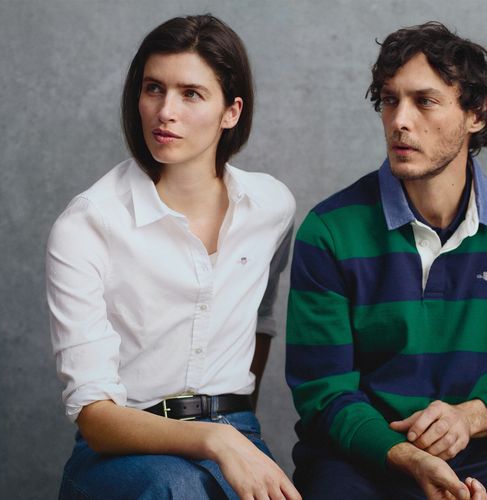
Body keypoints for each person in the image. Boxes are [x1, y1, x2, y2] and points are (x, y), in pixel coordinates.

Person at [286, 22, 487, 500]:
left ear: (476, 113)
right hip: (355, 462)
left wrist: (472, 417)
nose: (400, 121)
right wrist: (410, 457)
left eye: (424, 101)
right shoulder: (330, 230)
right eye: (390, 101)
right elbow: (322, 392)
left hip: (477, 459)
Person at [46, 14, 299, 500]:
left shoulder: (272, 207)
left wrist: (235, 427)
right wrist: (214, 438)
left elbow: (261, 316)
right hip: (123, 446)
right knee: (175, 488)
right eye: (153, 89)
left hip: (236, 430)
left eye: (191, 94)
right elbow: (95, 417)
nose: (165, 111)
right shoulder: (87, 226)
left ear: (232, 112)